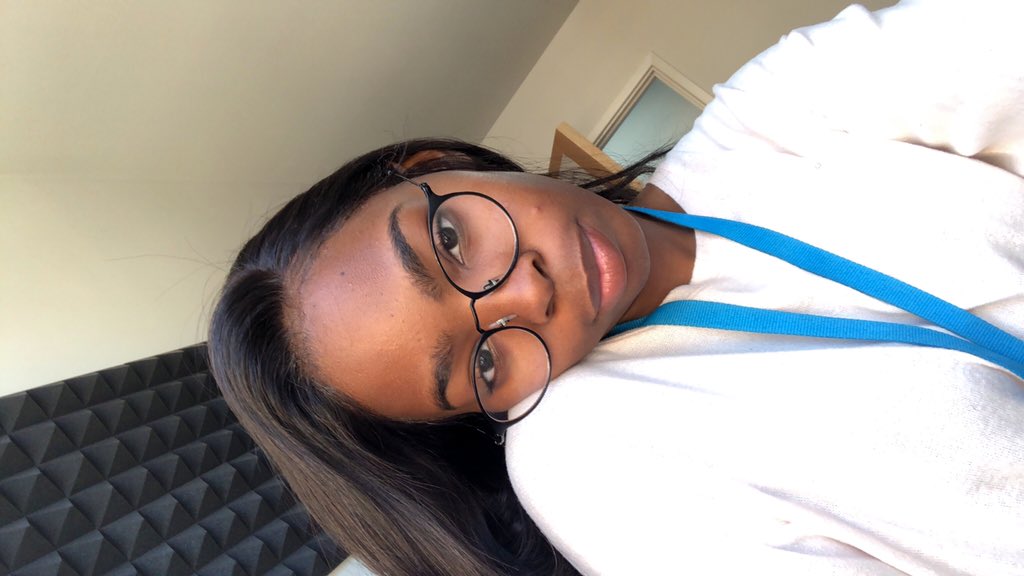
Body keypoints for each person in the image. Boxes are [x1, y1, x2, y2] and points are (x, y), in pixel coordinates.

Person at [208, 1, 1024, 574]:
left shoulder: (773, 114)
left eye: (450, 241)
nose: (524, 296)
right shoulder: (585, 452)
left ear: (434, 164)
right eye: (484, 363)